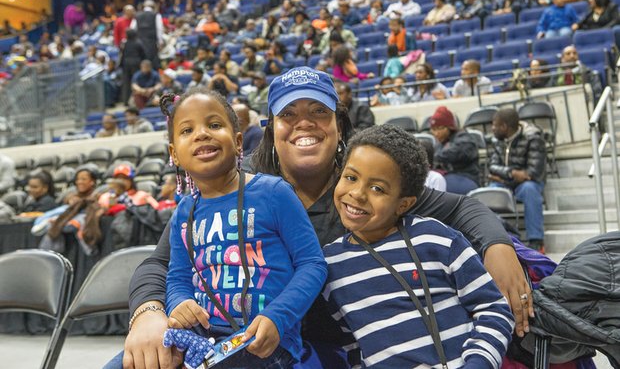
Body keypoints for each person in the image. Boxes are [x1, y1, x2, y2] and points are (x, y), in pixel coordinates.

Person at [112, 67, 532, 369]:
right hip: (227, 339)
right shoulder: (233, 189)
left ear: (338, 126)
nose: (303, 124)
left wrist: (497, 246)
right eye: (288, 115)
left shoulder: (365, 191)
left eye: (318, 112)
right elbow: (160, 263)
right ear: (270, 129)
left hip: (314, 351)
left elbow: (463, 207)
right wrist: (149, 313)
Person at [160, 89, 327, 368]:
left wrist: (277, 317)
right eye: (187, 130)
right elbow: (177, 278)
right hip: (201, 340)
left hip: (263, 342)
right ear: (174, 154)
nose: (202, 134)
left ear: (238, 142)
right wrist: (179, 302)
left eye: (214, 125)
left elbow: (312, 264)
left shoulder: (274, 193)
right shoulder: (182, 213)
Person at [323, 125, 513, 368]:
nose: (358, 194)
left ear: (403, 204)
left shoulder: (437, 238)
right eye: (351, 177)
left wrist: (478, 364)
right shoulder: (329, 264)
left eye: (377, 188)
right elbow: (352, 344)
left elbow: (493, 309)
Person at [490, 108, 547, 252]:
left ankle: (536, 241)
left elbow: (533, 172)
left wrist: (504, 175)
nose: (492, 128)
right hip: (505, 183)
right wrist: (512, 173)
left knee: (530, 190)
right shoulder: (497, 140)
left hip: (528, 183)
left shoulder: (533, 137)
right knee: (490, 191)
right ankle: (494, 239)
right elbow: (492, 167)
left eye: (495, 125)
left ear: (504, 127)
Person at [39, 166, 102, 256]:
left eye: (83, 179)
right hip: (68, 225)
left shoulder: (98, 195)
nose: (79, 182)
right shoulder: (71, 197)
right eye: (78, 179)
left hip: (81, 225)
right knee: (51, 224)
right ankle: (50, 254)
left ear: (92, 181)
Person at [430, 106, 480, 195]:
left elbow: (453, 153)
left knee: (435, 188)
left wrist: (431, 155)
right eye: (434, 129)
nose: (436, 133)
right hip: (449, 176)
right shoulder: (440, 142)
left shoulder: (465, 139)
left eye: (440, 128)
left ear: (450, 127)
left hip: (466, 177)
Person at [131, 0, 164, 69]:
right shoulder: (156, 15)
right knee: (152, 61)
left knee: (142, 60)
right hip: (152, 42)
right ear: (153, 6)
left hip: (140, 41)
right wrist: (160, 41)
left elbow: (132, 29)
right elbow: (159, 29)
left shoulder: (137, 15)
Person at [120, 29, 147, 105]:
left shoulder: (125, 43)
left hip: (126, 63)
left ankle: (125, 101)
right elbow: (143, 55)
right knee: (136, 82)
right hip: (136, 63)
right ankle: (137, 101)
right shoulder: (138, 43)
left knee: (126, 83)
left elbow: (122, 54)